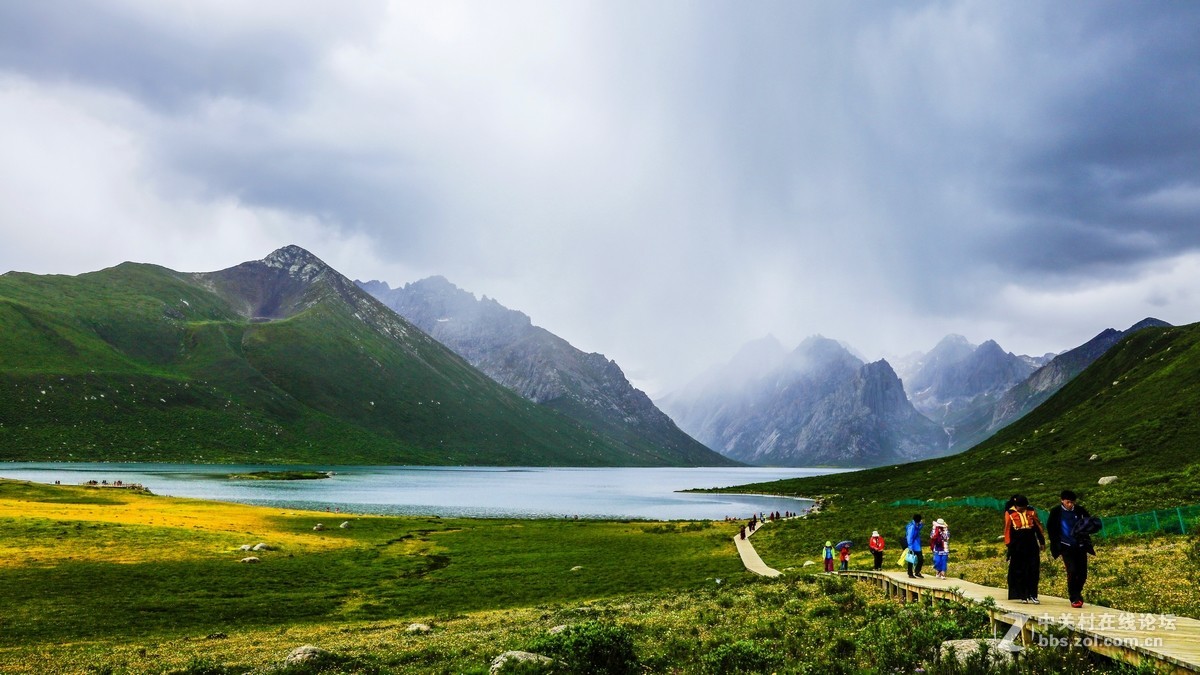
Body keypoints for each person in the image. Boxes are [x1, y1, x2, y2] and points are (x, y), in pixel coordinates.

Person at [1047, 489, 1099, 608]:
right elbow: (1051, 529)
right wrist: (1056, 543)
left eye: (1072, 502)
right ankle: (1074, 597)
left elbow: (1089, 523)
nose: (1070, 505)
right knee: (1072, 571)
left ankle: (1078, 591)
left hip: (1080, 546)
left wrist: (1092, 527)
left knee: (1083, 573)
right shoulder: (1056, 512)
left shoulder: (1080, 510)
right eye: (1068, 502)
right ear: (1062, 501)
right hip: (1066, 546)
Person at [1003, 495, 1046, 603]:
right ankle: (1022, 595)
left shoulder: (1031, 511)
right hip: (1018, 544)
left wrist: (1042, 541)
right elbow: (1008, 529)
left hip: (1031, 542)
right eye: (1020, 507)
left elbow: (1037, 526)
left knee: (1033, 568)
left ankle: (1033, 594)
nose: (1022, 509)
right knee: (1020, 570)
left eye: (1024, 507)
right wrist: (1009, 546)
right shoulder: (1010, 513)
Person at [905, 514, 925, 578]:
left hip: (917, 545)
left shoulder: (916, 525)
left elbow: (918, 528)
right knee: (911, 559)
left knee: (921, 559)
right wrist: (910, 546)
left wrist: (921, 524)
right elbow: (909, 537)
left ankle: (917, 571)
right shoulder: (912, 527)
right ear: (918, 520)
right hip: (912, 545)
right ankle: (910, 573)